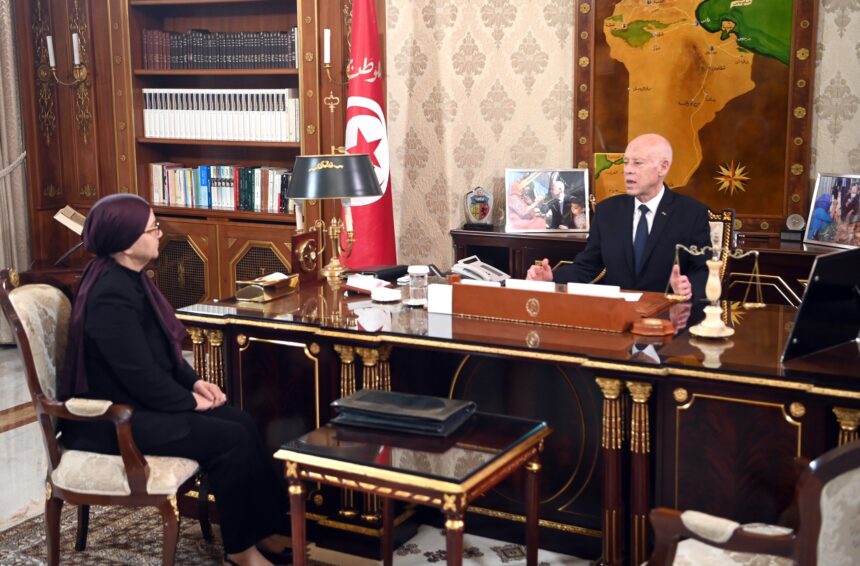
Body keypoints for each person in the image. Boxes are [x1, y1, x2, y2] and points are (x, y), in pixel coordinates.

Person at [59, 194, 290, 566]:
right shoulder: (110, 295)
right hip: (113, 420)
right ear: (126, 242)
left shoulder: (131, 278)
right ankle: (241, 552)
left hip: (139, 404)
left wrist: (195, 383)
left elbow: (161, 351)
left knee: (243, 421)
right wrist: (188, 401)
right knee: (229, 439)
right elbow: (139, 374)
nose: (160, 234)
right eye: (153, 228)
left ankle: (260, 531)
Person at [527, 133, 710, 301]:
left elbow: (703, 270)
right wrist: (552, 277)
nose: (628, 170)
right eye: (626, 162)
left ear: (663, 167)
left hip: (667, 313)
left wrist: (689, 287)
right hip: (616, 313)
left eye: (637, 163)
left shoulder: (691, 213)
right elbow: (588, 266)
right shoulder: (607, 211)